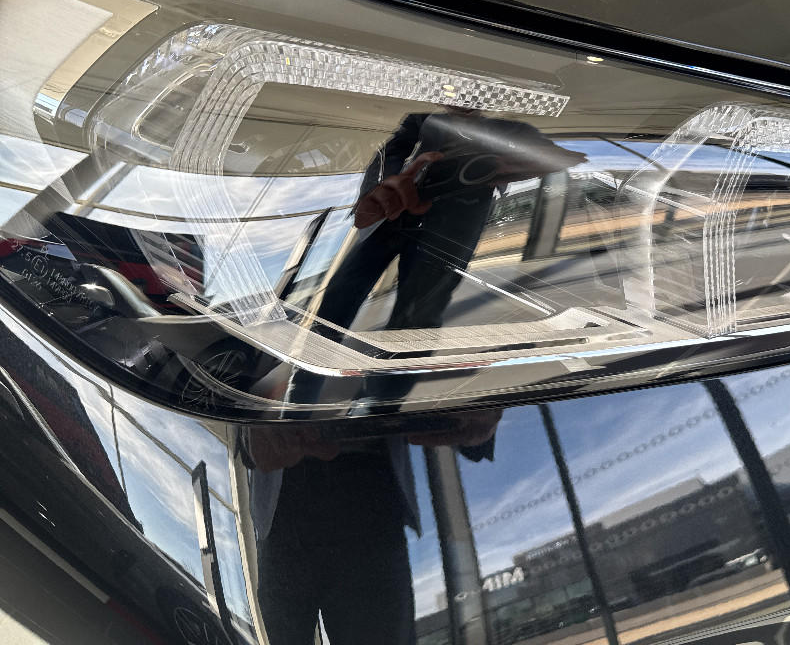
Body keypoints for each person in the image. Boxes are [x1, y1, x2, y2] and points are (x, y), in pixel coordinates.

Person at [245, 107, 584, 644]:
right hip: (280, 507)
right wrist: (251, 430)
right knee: (344, 303)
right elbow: (237, 364)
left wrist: (482, 418)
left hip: (375, 505)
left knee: (418, 312)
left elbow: (558, 157)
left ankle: (360, 410)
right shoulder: (409, 134)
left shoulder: (481, 208)